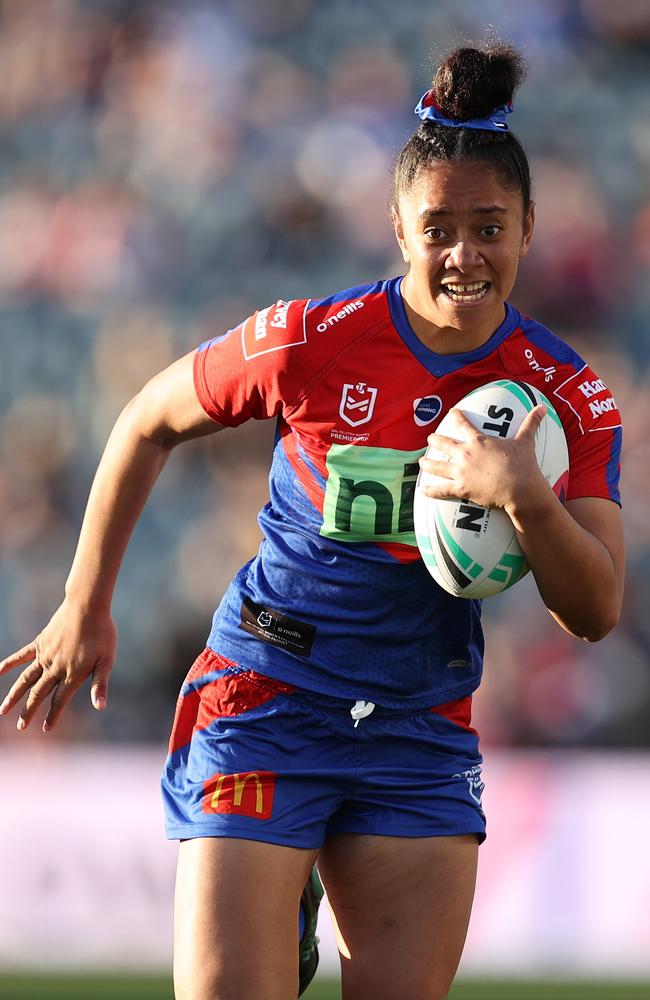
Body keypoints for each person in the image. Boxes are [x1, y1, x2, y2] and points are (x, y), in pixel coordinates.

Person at [0, 40, 624, 1000]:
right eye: (438, 227)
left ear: (531, 226)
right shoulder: (308, 340)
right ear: (398, 226)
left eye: (489, 227)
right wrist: (84, 606)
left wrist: (525, 497)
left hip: (417, 722)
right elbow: (144, 424)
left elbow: (596, 610)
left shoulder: (567, 398)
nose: (463, 254)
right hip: (266, 692)